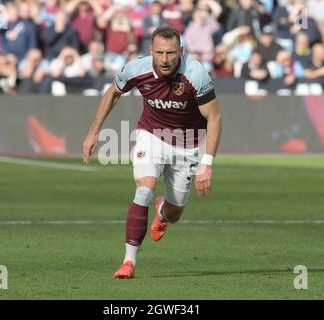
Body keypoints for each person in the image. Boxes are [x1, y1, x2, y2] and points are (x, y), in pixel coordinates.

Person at [82, 26, 222, 279]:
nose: (165, 59)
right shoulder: (137, 68)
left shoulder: (196, 73)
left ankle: (162, 212)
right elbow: (113, 91)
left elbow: (214, 118)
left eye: (170, 53)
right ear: (151, 51)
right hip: (151, 136)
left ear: (181, 51)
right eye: (159, 53)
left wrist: (207, 164)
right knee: (144, 189)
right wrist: (93, 132)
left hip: (188, 143)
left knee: (175, 212)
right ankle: (128, 262)